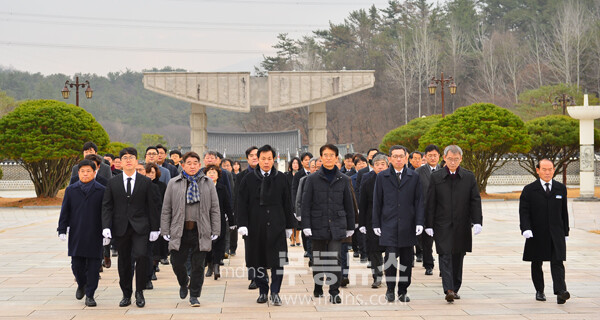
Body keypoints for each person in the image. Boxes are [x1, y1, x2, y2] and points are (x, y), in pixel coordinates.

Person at [237, 145, 297, 306]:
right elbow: (241, 203)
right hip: (255, 227)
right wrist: (242, 224)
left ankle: (275, 292)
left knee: (278, 261)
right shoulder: (248, 179)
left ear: (274, 159)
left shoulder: (281, 178)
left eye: (269, 158)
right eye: (263, 158)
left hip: (277, 225)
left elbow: (287, 203)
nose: (266, 162)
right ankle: (263, 291)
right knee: (258, 260)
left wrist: (289, 226)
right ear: (258, 159)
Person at [101, 147, 161, 308]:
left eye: (131, 157)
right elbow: (107, 205)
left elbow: (152, 206)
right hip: (121, 227)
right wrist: (106, 226)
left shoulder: (145, 182)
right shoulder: (113, 182)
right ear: (120, 162)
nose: (128, 160)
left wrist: (156, 228)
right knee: (124, 262)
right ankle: (126, 294)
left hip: (141, 227)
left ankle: (139, 291)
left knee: (141, 256)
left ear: (136, 161)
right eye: (125, 157)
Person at [160, 151, 221, 307]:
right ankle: (183, 281)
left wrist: (216, 230)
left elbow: (215, 208)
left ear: (199, 165)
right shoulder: (173, 183)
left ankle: (194, 295)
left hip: (200, 230)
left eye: (195, 163)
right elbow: (166, 208)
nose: (192, 166)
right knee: (176, 262)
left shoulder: (208, 183)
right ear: (182, 165)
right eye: (189, 163)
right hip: (179, 230)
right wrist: (165, 230)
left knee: (198, 265)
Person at [425, 145, 483, 303]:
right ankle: (448, 289)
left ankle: (455, 287)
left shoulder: (468, 177)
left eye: (456, 159)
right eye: (450, 159)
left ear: (461, 159)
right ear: (444, 158)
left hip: (462, 224)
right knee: (445, 255)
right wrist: (428, 224)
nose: (452, 162)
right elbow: (430, 202)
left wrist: (477, 221)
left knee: (458, 256)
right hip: (442, 224)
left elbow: (475, 200)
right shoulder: (436, 177)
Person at [301, 144, 355, 304]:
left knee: (335, 258)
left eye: (332, 155)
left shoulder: (344, 179)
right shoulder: (311, 179)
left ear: (337, 158)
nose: (329, 157)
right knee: (317, 259)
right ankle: (318, 286)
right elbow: (306, 204)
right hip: (317, 224)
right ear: (321, 158)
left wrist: (351, 226)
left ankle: (334, 291)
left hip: (337, 225)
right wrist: (306, 225)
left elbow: (349, 204)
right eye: (325, 155)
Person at [372, 145, 424, 302]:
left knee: (407, 261)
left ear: (406, 158)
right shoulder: (382, 177)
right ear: (389, 159)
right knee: (391, 260)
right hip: (389, 225)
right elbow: (377, 202)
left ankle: (403, 290)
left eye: (401, 156)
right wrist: (376, 224)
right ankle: (390, 289)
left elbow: (419, 201)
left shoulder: (413, 177)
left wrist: (419, 222)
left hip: (408, 225)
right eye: (395, 156)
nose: (399, 159)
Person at [519, 159, 570, 304]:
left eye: (550, 169)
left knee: (558, 262)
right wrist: (525, 228)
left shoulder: (560, 188)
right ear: (538, 170)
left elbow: (564, 212)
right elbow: (524, 212)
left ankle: (561, 292)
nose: (547, 172)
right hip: (536, 232)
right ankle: (539, 290)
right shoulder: (529, 190)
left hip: (556, 232)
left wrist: (565, 231)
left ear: (554, 170)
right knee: (537, 262)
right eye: (544, 169)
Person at [58, 159, 107, 307]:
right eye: (82, 171)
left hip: (95, 234)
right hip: (77, 233)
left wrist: (107, 231)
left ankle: (90, 295)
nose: (85, 174)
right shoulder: (71, 190)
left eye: (88, 171)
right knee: (76, 266)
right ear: (78, 173)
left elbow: (106, 213)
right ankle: (81, 284)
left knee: (93, 267)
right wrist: (62, 229)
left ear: (94, 172)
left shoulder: (102, 190)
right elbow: (64, 211)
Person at [358, 153, 388, 289]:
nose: (380, 167)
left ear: (388, 165)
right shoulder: (367, 179)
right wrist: (362, 223)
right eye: (377, 164)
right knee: (374, 250)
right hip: (372, 219)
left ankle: (390, 273)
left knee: (390, 249)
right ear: (373, 166)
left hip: (390, 219)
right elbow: (362, 203)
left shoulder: (393, 179)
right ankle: (377, 276)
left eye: (383, 164)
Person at [233, 146, 259, 289]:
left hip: (265, 220)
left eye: (257, 155)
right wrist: (239, 222)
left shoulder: (268, 174)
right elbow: (238, 200)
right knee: (250, 249)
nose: (254, 157)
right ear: (247, 158)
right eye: (251, 155)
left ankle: (262, 274)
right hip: (248, 220)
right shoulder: (241, 177)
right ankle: (253, 277)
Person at [415, 144, 442, 276]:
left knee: (443, 242)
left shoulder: (444, 170)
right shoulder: (419, 172)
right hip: (425, 212)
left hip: (442, 212)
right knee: (427, 241)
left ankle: (444, 268)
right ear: (425, 157)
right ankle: (428, 264)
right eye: (429, 155)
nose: (432, 158)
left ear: (439, 157)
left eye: (435, 155)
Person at [204, 165, 233, 280]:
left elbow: (227, 205)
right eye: (209, 172)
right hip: (205, 220)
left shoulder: (222, 188)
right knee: (208, 244)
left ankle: (216, 267)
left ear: (218, 175)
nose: (211, 174)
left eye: (214, 172)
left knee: (219, 243)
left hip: (219, 219)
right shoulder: (202, 188)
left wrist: (232, 221)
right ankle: (210, 266)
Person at [145, 162, 168, 282]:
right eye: (148, 172)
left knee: (156, 247)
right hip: (143, 219)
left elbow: (164, 203)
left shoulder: (162, 186)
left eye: (152, 173)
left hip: (157, 217)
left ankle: (154, 268)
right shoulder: (142, 185)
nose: (150, 175)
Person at [285, 157, 302, 247]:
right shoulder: (287, 175)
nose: (295, 164)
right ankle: (292, 238)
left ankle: (298, 237)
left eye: (297, 163)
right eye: (293, 163)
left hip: (299, 199)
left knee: (298, 220)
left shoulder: (301, 175)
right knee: (291, 219)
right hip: (289, 199)